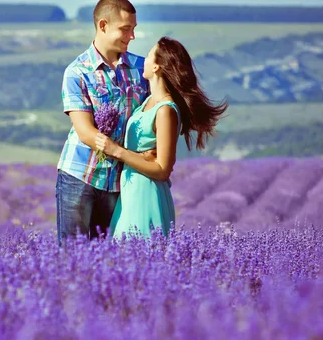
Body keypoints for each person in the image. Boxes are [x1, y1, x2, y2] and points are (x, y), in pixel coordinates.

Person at [95, 36, 228, 239]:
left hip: (147, 194)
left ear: (156, 67)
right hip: (131, 191)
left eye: (148, 55)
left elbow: (163, 170)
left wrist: (117, 151)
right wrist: (139, 155)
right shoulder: (148, 101)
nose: (144, 60)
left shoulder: (166, 111)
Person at [56, 0, 153, 244]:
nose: (131, 36)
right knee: (73, 256)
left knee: (108, 258)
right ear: (103, 26)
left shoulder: (142, 70)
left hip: (121, 180)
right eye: (125, 29)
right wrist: (118, 151)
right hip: (79, 176)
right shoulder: (77, 72)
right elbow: (85, 131)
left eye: (133, 29)